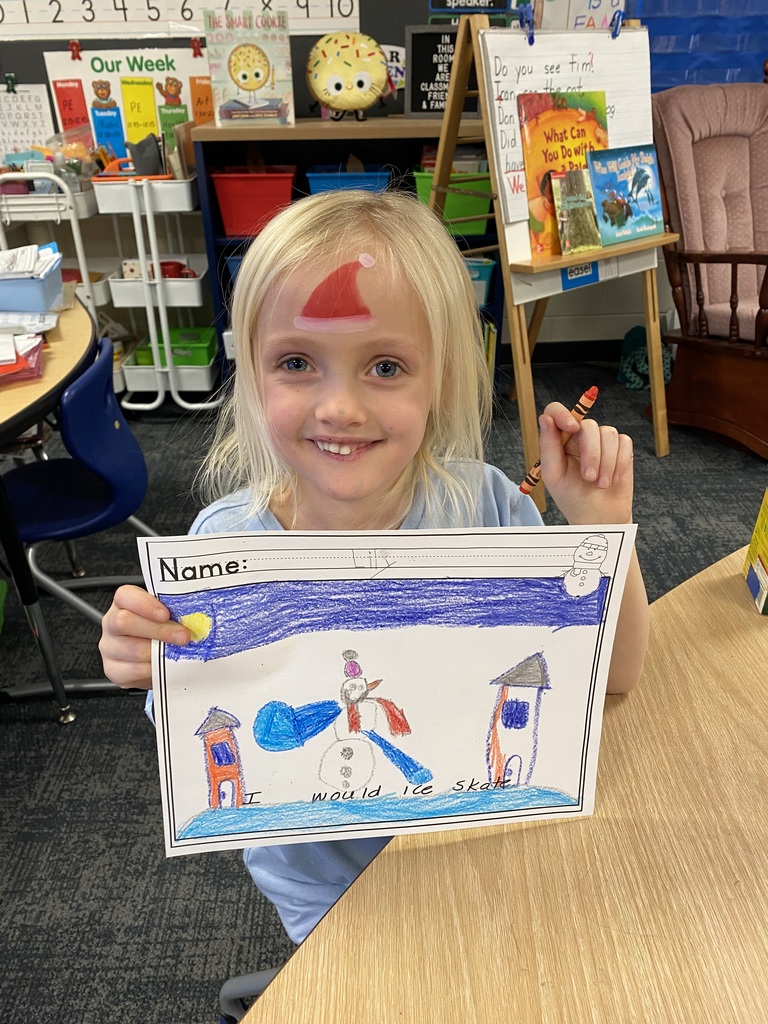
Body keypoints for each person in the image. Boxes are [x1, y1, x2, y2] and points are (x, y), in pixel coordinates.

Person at [100, 188, 649, 946]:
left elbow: (613, 679)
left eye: (385, 366)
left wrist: (602, 533)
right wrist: (150, 665)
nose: (339, 408)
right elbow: (203, 730)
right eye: (297, 362)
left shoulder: (487, 510)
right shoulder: (225, 547)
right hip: (327, 889)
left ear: (440, 377)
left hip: (481, 844)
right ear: (253, 376)